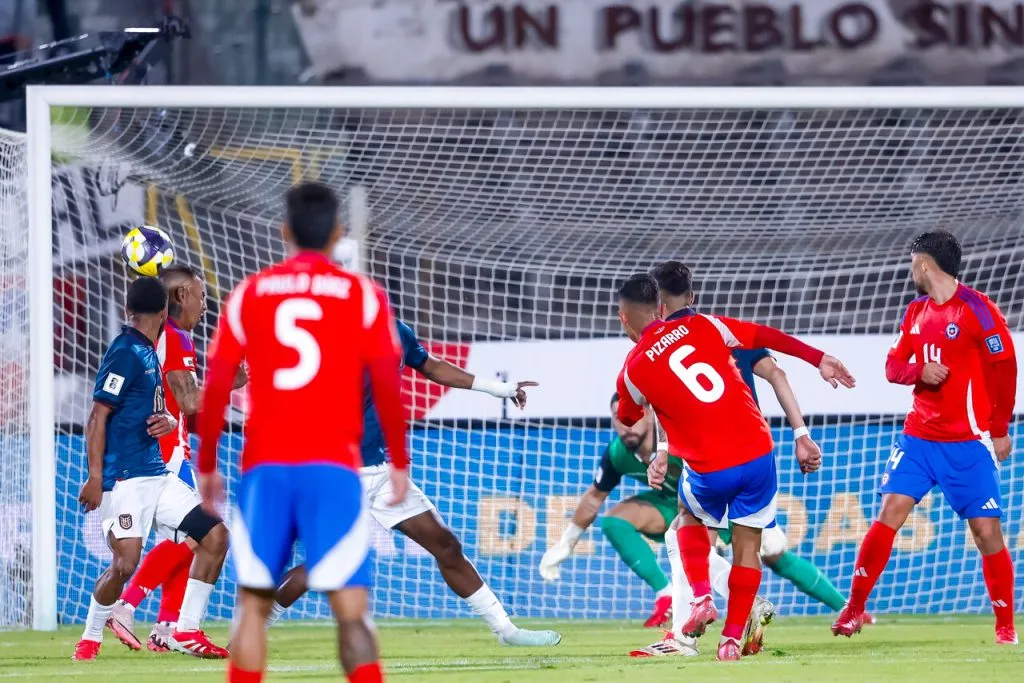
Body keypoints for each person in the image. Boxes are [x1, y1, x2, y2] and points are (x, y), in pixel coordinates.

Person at [197, 181, 409, 683]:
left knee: (252, 605)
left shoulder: (248, 293)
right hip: (334, 469)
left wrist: (206, 465)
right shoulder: (364, 295)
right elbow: (387, 386)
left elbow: (216, 386)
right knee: (352, 611)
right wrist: (399, 461)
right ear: (338, 233)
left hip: (265, 469)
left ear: (284, 231)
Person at [252, 319, 561, 647]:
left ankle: (507, 631)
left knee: (446, 546)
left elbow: (430, 366)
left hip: (383, 475)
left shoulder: (395, 330)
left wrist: (500, 388)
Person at [631, 261, 868, 658]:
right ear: (692, 296)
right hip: (755, 457)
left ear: (655, 304)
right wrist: (801, 433)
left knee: (684, 534)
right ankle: (730, 633)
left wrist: (663, 450)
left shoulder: (663, 345)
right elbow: (775, 374)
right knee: (747, 549)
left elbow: (666, 402)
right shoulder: (718, 329)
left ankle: (686, 636)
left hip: (711, 459)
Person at [832, 231, 1017, 645]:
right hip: (917, 437)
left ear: (926, 264)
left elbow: (1005, 366)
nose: (910, 269)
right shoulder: (915, 311)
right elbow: (893, 367)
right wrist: (920, 373)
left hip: (968, 441)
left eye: (912, 261)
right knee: (890, 511)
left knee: (987, 532)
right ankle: (854, 609)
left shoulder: (979, 310)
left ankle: (1005, 627)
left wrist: (1000, 429)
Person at [73, 276, 230, 661]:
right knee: (125, 564)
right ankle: (90, 638)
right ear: (164, 312)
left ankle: (187, 630)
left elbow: (148, 410)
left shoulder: (147, 351)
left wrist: (169, 423)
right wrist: (95, 478)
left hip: (157, 476)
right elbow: (97, 415)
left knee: (215, 536)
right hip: (125, 479)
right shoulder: (127, 350)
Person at [106, 265, 247, 653]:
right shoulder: (178, 338)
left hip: (162, 450)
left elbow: (183, 405)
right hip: (165, 455)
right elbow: (187, 401)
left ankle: (167, 626)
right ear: (181, 296)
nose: (205, 305)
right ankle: (128, 605)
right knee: (200, 537)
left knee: (192, 539)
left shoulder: (158, 337)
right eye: (201, 296)